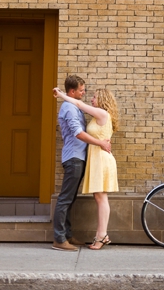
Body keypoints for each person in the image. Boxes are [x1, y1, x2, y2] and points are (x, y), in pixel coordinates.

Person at [53, 85, 120, 250]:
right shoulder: (98, 115)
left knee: (101, 198)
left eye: (95, 97)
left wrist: (61, 95)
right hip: (97, 158)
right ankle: (101, 235)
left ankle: (102, 236)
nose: (91, 99)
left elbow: (80, 105)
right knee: (99, 197)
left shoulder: (102, 113)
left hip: (101, 159)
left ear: (102, 100)